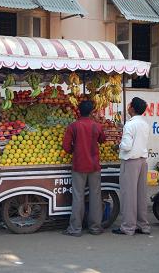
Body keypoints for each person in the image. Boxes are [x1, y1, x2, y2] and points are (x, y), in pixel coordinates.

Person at [62, 100, 106, 237]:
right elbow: (103, 140)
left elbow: (66, 146)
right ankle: (95, 227)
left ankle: (75, 229)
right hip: (94, 166)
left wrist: (74, 150)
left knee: (78, 196)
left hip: (79, 165)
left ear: (79, 111)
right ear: (92, 111)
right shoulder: (97, 126)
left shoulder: (73, 126)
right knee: (95, 196)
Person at [112, 97, 151, 235]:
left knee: (128, 195)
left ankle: (128, 227)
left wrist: (118, 146)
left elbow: (127, 146)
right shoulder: (144, 123)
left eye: (129, 105)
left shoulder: (130, 124)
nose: (127, 107)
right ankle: (143, 225)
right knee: (141, 194)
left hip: (130, 162)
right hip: (142, 161)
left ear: (132, 109)